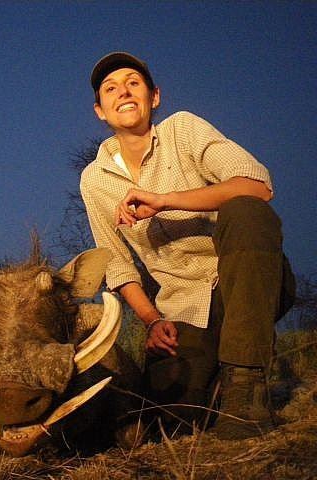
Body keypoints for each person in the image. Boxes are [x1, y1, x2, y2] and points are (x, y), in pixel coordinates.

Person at [81, 52, 295, 439]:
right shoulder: (95, 179)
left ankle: (247, 383)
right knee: (170, 420)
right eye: (110, 89)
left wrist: (167, 200)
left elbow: (257, 185)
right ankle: (219, 378)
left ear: (154, 97)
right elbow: (117, 264)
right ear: (100, 111)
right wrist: (152, 320)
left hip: (244, 279)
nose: (123, 92)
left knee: (245, 210)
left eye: (133, 83)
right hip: (182, 306)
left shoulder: (184, 128)